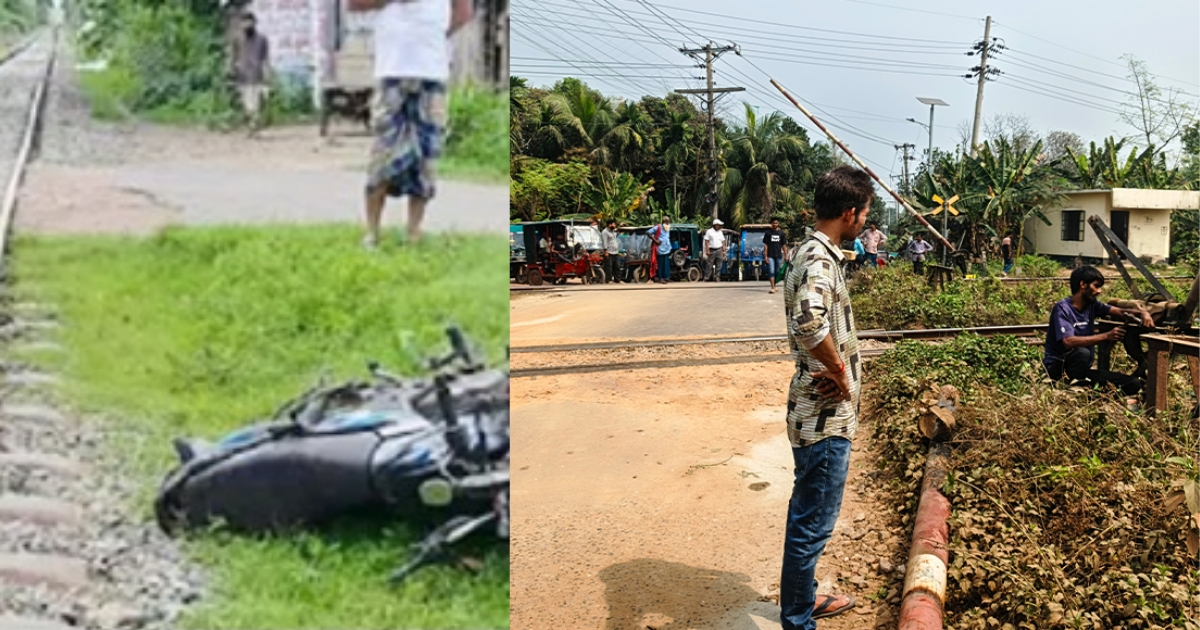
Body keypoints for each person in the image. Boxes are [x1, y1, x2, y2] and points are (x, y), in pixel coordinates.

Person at [780, 165, 872, 628]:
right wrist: (837, 370)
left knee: (808, 517)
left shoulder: (813, 250)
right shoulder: (820, 259)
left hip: (817, 413)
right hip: (824, 419)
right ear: (850, 212)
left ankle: (804, 599)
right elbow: (809, 321)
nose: (865, 224)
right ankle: (798, 619)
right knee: (811, 525)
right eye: (865, 215)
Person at [351, 0, 474, 249]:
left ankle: (413, 232)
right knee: (382, 155)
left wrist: (432, 35)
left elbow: (463, 11)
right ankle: (372, 233)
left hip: (431, 73)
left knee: (425, 155)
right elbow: (353, 4)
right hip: (391, 74)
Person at [1043, 265, 1154, 397]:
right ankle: (1069, 387)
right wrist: (1107, 336)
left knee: (1132, 384)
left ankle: (1088, 393)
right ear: (1083, 284)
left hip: (1083, 372)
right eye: (1096, 286)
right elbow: (1068, 341)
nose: (1099, 291)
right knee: (1082, 352)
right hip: (1058, 370)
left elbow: (1118, 311)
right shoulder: (1062, 308)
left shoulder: (1092, 306)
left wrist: (1143, 313)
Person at [229, 12, 271, 134]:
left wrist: (268, 75)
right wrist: (231, 71)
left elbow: (266, 59)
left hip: (258, 75)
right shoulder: (237, 39)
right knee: (247, 104)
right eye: (244, 22)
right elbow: (233, 57)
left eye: (249, 21)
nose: (246, 24)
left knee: (256, 103)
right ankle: (252, 125)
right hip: (242, 76)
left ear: (254, 23)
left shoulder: (262, 39)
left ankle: (253, 127)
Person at [765, 219, 788, 293]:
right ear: (771, 224)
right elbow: (766, 245)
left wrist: (786, 255)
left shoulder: (781, 233)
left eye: (776, 223)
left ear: (778, 224)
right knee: (771, 271)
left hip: (778, 255)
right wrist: (765, 256)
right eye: (773, 223)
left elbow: (783, 245)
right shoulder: (768, 233)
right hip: (770, 255)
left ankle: (774, 286)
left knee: (777, 272)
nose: (775, 224)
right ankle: (772, 287)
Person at [647, 217, 672, 284]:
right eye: (667, 222)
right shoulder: (658, 227)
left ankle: (666, 277)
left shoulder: (667, 228)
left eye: (668, 222)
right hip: (660, 249)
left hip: (666, 248)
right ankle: (660, 278)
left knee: (666, 264)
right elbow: (648, 232)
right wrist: (655, 241)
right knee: (660, 264)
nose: (668, 223)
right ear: (664, 222)